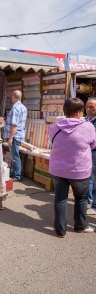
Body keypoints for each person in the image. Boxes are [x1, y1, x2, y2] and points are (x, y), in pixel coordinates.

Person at [49, 98, 96, 238]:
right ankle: (80, 226)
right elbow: (93, 145)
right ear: (79, 112)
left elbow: (52, 142)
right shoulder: (88, 127)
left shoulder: (54, 126)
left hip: (58, 169)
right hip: (79, 170)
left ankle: (60, 230)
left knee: (60, 198)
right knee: (81, 199)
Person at [4, 90, 27, 181]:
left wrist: (10, 138)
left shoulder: (15, 108)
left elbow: (15, 125)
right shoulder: (23, 107)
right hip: (19, 135)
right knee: (14, 155)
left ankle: (17, 176)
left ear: (13, 97)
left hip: (15, 136)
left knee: (15, 156)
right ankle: (13, 174)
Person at [85, 97, 96, 215]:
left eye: (91, 106)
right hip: (87, 151)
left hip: (95, 151)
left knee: (94, 178)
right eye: (87, 106)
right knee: (88, 176)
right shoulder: (87, 119)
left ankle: (95, 206)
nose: (88, 109)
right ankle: (88, 200)